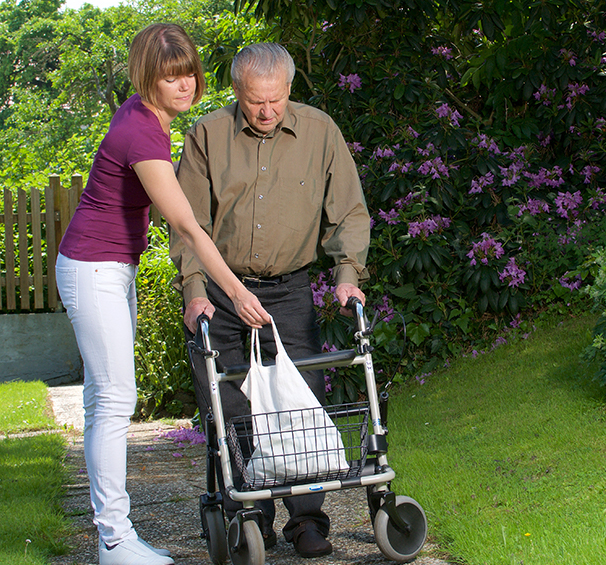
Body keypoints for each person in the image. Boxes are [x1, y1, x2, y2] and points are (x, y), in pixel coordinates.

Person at [55, 24, 270, 565]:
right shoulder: (144, 133)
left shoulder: (145, 118)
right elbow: (189, 226)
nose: (183, 86)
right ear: (147, 78)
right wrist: (237, 292)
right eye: (169, 76)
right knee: (114, 401)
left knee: (102, 399)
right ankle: (114, 540)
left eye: (189, 74)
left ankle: (115, 536)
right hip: (94, 268)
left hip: (107, 268)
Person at [170, 42, 371, 558]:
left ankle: (307, 521)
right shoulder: (207, 137)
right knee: (231, 405)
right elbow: (186, 224)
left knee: (302, 402)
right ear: (237, 92)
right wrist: (195, 291)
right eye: (256, 101)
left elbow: (348, 210)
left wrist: (347, 273)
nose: (266, 112)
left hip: (289, 289)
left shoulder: (320, 131)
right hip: (222, 291)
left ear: (289, 90)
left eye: (276, 101)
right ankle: (249, 513)